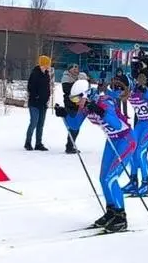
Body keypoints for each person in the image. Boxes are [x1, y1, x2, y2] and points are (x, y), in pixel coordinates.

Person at [54, 78, 136, 232]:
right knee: (103, 178)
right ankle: (111, 211)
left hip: (126, 139)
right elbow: (75, 124)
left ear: (86, 94)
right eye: (73, 99)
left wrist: (99, 110)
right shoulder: (86, 106)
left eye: (78, 98)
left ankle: (121, 216)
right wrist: (64, 113)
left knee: (111, 178)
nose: (77, 102)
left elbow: (116, 124)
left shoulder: (104, 101)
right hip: (112, 140)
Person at [121, 72, 148, 197]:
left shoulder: (139, 90)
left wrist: (146, 90)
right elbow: (113, 96)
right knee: (131, 149)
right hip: (141, 123)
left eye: (125, 88)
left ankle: (145, 183)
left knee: (140, 151)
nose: (123, 92)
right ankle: (133, 181)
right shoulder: (126, 92)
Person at [25, 55, 52, 151]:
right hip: (34, 103)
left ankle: (38, 143)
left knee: (41, 124)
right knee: (34, 122)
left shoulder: (47, 74)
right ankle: (28, 142)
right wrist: (36, 96)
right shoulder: (35, 73)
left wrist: (48, 97)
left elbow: (48, 88)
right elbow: (30, 87)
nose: (49, 66)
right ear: (43, 64)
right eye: (47, 64)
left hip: (43, 104)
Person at [60, 63, 82, 153]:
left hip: (77, 104)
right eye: (74, 68)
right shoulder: (66, 78)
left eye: (77, 68)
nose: (76, 70)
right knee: (73, 126)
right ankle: (69, 146)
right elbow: (67, 90)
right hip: (70, 104)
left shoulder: (78, 78)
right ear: (70, 70)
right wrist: (76, 85)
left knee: (76, 127)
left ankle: (71, 144)